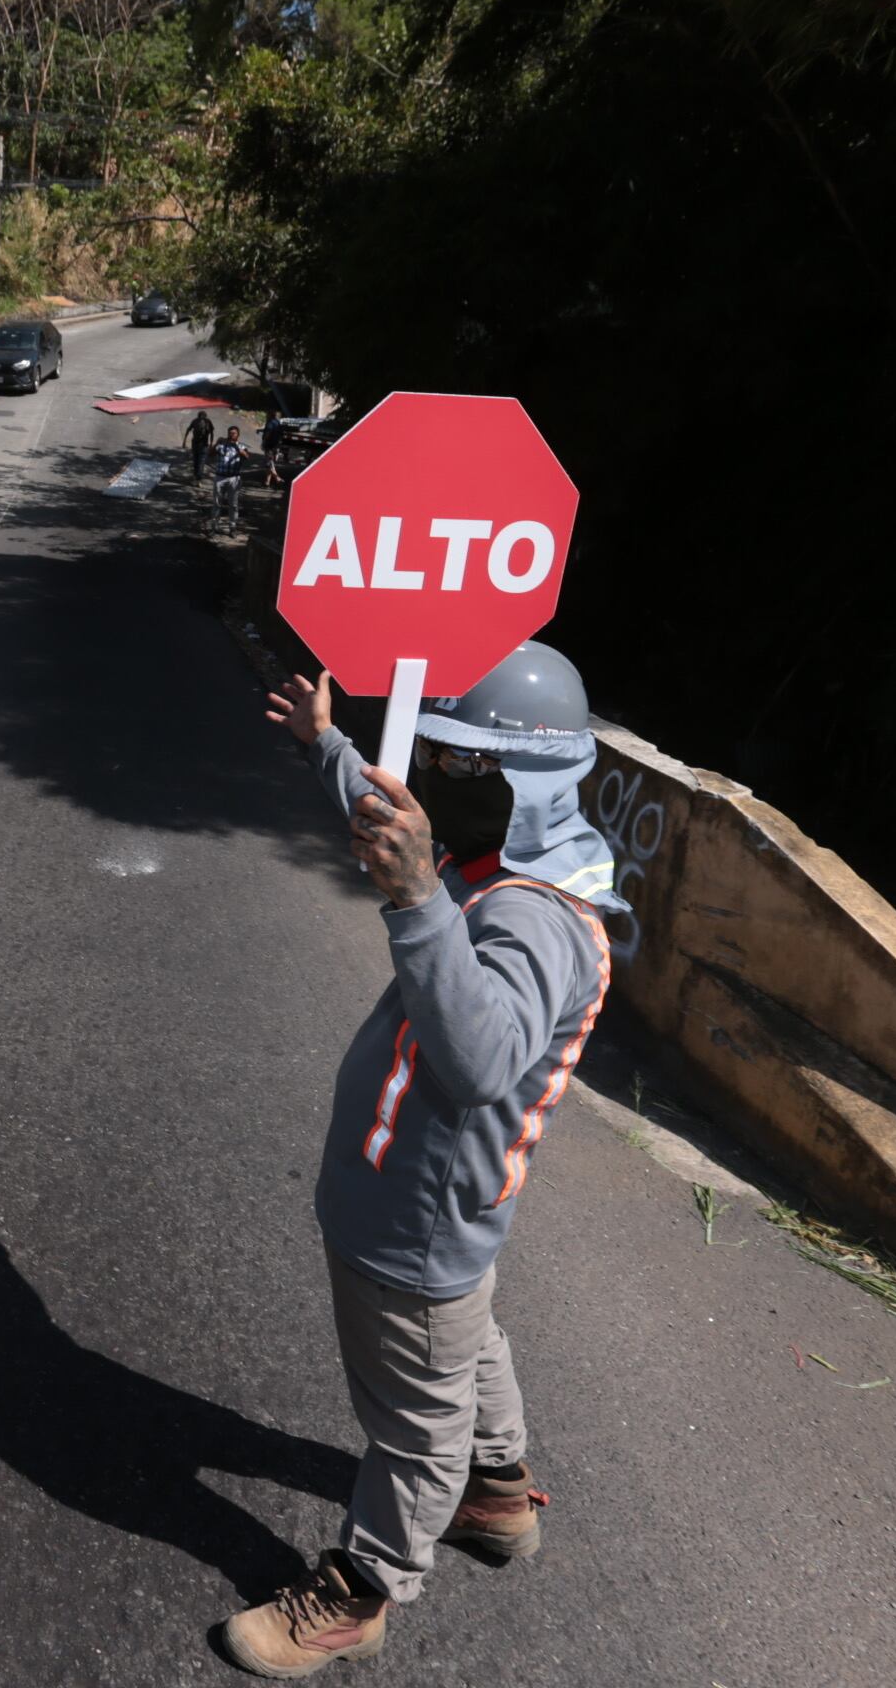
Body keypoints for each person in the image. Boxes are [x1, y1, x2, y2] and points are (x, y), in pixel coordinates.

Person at [225, 642, 625, 1679]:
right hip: (426, 1208)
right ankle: (495, 1496)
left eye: (451, 761)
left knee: (412, 1418)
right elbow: (392, 806)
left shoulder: (538, 916)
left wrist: (412, 897)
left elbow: (483, 1056)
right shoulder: (502, 860)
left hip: (415, 1224)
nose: (425, 778)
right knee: (463, 1343)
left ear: (520, 780)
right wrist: (329, 749)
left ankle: (367, 1587)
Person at [209, 425, 252, 525]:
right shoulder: (222, 446)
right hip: (220, 477)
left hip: (234, 479)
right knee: (217, 503)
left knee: (233, 504)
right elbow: (210, 454)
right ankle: (214, 526)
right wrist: (216, 444)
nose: (231, 435)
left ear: (238, 435)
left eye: (234, 433)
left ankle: (232, 526)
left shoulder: (241, 446)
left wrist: (238, 449)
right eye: (230, 433)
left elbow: (247, 457)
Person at [185, 408, 216, 480]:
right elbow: (212, 433)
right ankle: (198, 477)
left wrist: (184, 441)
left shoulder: (195, 421)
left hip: (195, 444)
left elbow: (188, 430)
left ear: (198, 416)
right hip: (204, 444)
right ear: (206, 416)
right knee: (201, 461)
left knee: (195, 460)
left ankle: (195, 475)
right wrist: (211, 444)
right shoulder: (208, 422)